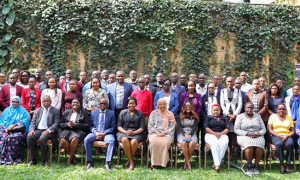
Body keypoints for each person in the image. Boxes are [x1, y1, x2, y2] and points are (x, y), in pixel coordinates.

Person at [27, 95, 60, 167]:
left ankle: (44, 160)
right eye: (44, 101)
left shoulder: (56, 111)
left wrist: (48, 130)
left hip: (49, 131)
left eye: (48, 101)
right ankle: (33, 159)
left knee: (42, 139)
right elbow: (33, 122)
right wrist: (32, 130)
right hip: (38, 130)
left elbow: (56, 123)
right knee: (30, 137)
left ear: (51, 102)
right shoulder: (37, 111)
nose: (46, 102)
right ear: (42, 102)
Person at [84, 98, 116, 171]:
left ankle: (107, 163)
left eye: (105, 104)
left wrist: (104, 133)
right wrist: (95, 132)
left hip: (106, 133)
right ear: (98, 104)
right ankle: (90, 162)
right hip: (95, 133)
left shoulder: (111, 113)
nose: (103, 105)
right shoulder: (93, 113)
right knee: (87, 139)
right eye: (101, 103)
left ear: (107, 105)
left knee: (112, 141)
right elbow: (90, 126)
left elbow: (113, 127)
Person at [234, 102, 266, 175]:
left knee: (260, 144)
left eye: (251, 108)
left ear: (253, 109)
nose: (249, 109)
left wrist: (258, 134)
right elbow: (236, 129)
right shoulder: (240, 117)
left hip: (257, 135)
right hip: (244, 136)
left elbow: (264, 129)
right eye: (248, 107)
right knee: (249, 145)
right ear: (245, 108)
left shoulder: (258, 116)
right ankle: (249, 166)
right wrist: (247, 133)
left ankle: (256, 166)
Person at [117, 97, 145, 170]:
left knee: (134, 141)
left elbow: (142, 128)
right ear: (127, 105)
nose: (131, 105)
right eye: (129, 103)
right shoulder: (122, 112)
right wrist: (125, 132)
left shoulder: (140, 113)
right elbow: (119, 126)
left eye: (133, 103)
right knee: (125, 139)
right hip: (123, 132)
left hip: (137, 133)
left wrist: (134, 132)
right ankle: (131, 162)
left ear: (136, 104)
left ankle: (128, 161)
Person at [60, 98, 90, 166]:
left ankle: (69, 159)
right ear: (71, 104)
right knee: (62, 140)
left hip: (79, 131)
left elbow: (87, 125)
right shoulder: (66, 112)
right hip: (67, 130)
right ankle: (73, 158)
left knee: (75, 139)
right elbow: (60, 124)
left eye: (77, 102)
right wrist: (67, 124)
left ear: (80, 104)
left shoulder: (84, 113)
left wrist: (75, 125)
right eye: (74, 102)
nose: (75, 104)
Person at [0, 96, 29, 165]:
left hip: (18, 131)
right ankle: (2, 157)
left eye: (16, 102)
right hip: (6, 129)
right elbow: (1, 122)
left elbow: (24, 123)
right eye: (13, 101)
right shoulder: (6, 110)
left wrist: (14, 125)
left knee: (11, 138)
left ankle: (11, 157)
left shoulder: (23, 111)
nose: (14, 103)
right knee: (3, 136)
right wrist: (5, 129)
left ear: (19, 103)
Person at [148, 98, 176, 170]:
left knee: (164, 143)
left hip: (167, 133)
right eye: (160, 104)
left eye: (164, 104)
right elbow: (150, 125)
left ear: (166, 104)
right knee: (154, 142)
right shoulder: (153, 113)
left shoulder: (170, 114)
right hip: (155, 132)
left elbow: (173, 127)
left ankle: (162, 163)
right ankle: (153, 163)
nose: (162, 105)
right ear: (157, 105)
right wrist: (157, 132)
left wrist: (164, 132)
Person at [220, 76, 242, 160]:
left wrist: (234, 115)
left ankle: (232, 153)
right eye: (228, 81)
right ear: (226, 82)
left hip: (235, 116)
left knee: (233, 134)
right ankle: (226, 152)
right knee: (226, 133)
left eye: (231, 81)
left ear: (233, 82)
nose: (230, 83)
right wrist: (228, 114)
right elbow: (222, 104)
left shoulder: (238, 91)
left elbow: (240, 104)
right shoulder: (223, 91)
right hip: (226, 115)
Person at [268, 104, 294, 174]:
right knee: (279, 144)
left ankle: (288, 164)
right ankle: (282, 164)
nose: (281, 110)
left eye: (283, 109)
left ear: (285, 110)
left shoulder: (289, 118)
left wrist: (287, 135)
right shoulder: (272, 117)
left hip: (287, 135)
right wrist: (279, 136)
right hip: (276, 135)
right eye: (280, 109)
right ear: (277, 110)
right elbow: (270, 129)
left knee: (290, 144)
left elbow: (292, 131)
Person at [204, 104, 229, 172]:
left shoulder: (224, 118)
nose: (216, 112)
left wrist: (220, 134)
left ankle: (216, 162)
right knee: (214, 142)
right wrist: (214, 134)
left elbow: (227, 129)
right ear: (212, 111)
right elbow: (206, 128)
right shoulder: (208, 117)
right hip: (210, 134)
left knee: (224, 142)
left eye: (217, 110)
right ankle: (217, 164)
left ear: (220, 110)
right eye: (214, 110)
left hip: (222, 134)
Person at [177, 101, 199, 170]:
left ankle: (186, 162)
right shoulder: (179, 116)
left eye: (189, 106)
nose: (188, 108)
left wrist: (189, 135)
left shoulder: (195, 116)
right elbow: (180, 127)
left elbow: (194, 127)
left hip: (192, 133)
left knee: (192, 143)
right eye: (186, 106)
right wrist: (185, 134)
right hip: (182, 133)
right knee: (184, 143)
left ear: (192, 107)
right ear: (183, 107)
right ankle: (188, 163)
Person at [201, 82, 221, 152]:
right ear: (207, 89)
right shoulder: (204, 97)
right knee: (205, 134)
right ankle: (203, 151)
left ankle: (214, 149)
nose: (211, 89)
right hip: (206, 118)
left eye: (212, 88)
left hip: (216, 119)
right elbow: (202, 109)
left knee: (215, 133)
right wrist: (206, 118)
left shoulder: (219, 97)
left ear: (215, 88)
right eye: (209, 88)